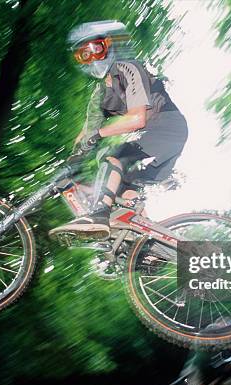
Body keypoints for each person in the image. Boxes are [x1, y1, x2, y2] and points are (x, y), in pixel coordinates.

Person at [50, 20, 188, 239]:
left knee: (112, 157)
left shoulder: (128, 68)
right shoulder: (99, 95)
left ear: (108, 45)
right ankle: (146, 246)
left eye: (96, 48)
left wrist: (99, 134)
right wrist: (71, 162)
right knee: (121, 187)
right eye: (84, 55)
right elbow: (86, 132)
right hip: (156, 140)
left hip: (168, 127)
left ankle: (99, 215)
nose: (92, 57)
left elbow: (137, 119)